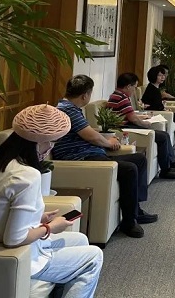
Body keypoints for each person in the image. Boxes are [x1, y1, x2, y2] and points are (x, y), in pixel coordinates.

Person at [0, 104, 103, 297]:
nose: (51, 147)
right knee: (94, 256)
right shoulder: (27, 175)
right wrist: (50, 228)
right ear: (39, 143)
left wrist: (39, 217)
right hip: (13, 254)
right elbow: (14, 239)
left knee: (80, 239)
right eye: (51, 142)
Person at [53, 75, 156, 238]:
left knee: (139, 159)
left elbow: (88, 132)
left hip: (90, 154)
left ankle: (136, 210)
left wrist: (107, 139)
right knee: (129, 169)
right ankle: (129, 222)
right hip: (82, 158)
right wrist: (108, 143)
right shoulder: (68, 110)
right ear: (85, 95)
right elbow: (90, 136)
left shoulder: (69, 107)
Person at [107, 72, 175, 179]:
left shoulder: (116, 95)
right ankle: (167, 170)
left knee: (164, 135)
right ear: (128, 86)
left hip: (126, 125)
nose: (134, 90)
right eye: (134, 87)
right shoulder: (122, 98)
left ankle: (172, 166)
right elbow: (133, 119)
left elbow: (127, 115)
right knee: (163, 136)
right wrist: (145, 124)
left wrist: (142, 117)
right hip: (124, 129)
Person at [141, 66, 175, 150]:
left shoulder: (154, 87)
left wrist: (163, 107)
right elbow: (155, 106)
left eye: (163, 75)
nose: (163, 77)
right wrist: (164, 109)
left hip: (156, 111)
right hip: (153, 113)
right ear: (154, 76)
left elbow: (155, 104)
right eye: (160, 75)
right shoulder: (153, 90)